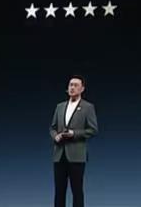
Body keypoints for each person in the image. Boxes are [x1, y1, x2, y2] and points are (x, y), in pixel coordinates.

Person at [50, 75, 98, 207]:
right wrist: (55, 136)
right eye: (70, 85)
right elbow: (52, 127)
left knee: (77, 191)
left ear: (82, 89)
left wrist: (74, 133)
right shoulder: (60, 107)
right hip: (59, 155)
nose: (72, 87)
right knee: (59, 191)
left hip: (77, 155)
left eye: (76, 85)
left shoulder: (88, 107)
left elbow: (93, 130)